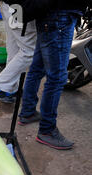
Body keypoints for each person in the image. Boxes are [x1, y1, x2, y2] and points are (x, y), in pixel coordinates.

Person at [17, 0, 86, 150]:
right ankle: (47, 130)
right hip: (59, 16)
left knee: (38, 67)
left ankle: (27, 112)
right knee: (57, 77)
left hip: (52, 16)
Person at [0, 1, 37, 104]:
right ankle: (0, 86)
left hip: (10, 6)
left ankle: (10, 88)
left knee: (14, 49)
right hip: (20, 8)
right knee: (29, 52)